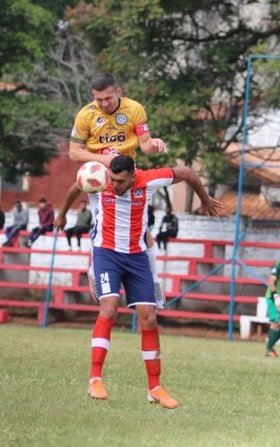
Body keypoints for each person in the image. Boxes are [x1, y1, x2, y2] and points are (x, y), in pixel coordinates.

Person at [54, 155, 222, 409]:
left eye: (120, 181)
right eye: (112, 179)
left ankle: (155, 387)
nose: (114, 185)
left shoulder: (149, 180)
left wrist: (205, 198)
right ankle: (95, 379)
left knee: (149, 318)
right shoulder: (99, 179)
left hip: (136, 256)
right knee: (109, 308)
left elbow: (187, 172)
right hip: (106, 253)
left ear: (134, 175)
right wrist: (62, 214)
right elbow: (76, 187)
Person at [69, 72, 168, 308]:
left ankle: (153, 280)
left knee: (142, 230)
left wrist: (154, 145)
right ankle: (95, 270)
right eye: (98, 99)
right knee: (103, 226)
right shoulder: (86, 115)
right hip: (99, 177)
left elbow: (145, 145)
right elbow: (74, 153)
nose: (103, 103)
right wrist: (103, 160)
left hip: (128, 175)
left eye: (108, 98)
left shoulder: (134, 110)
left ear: (118, 92)